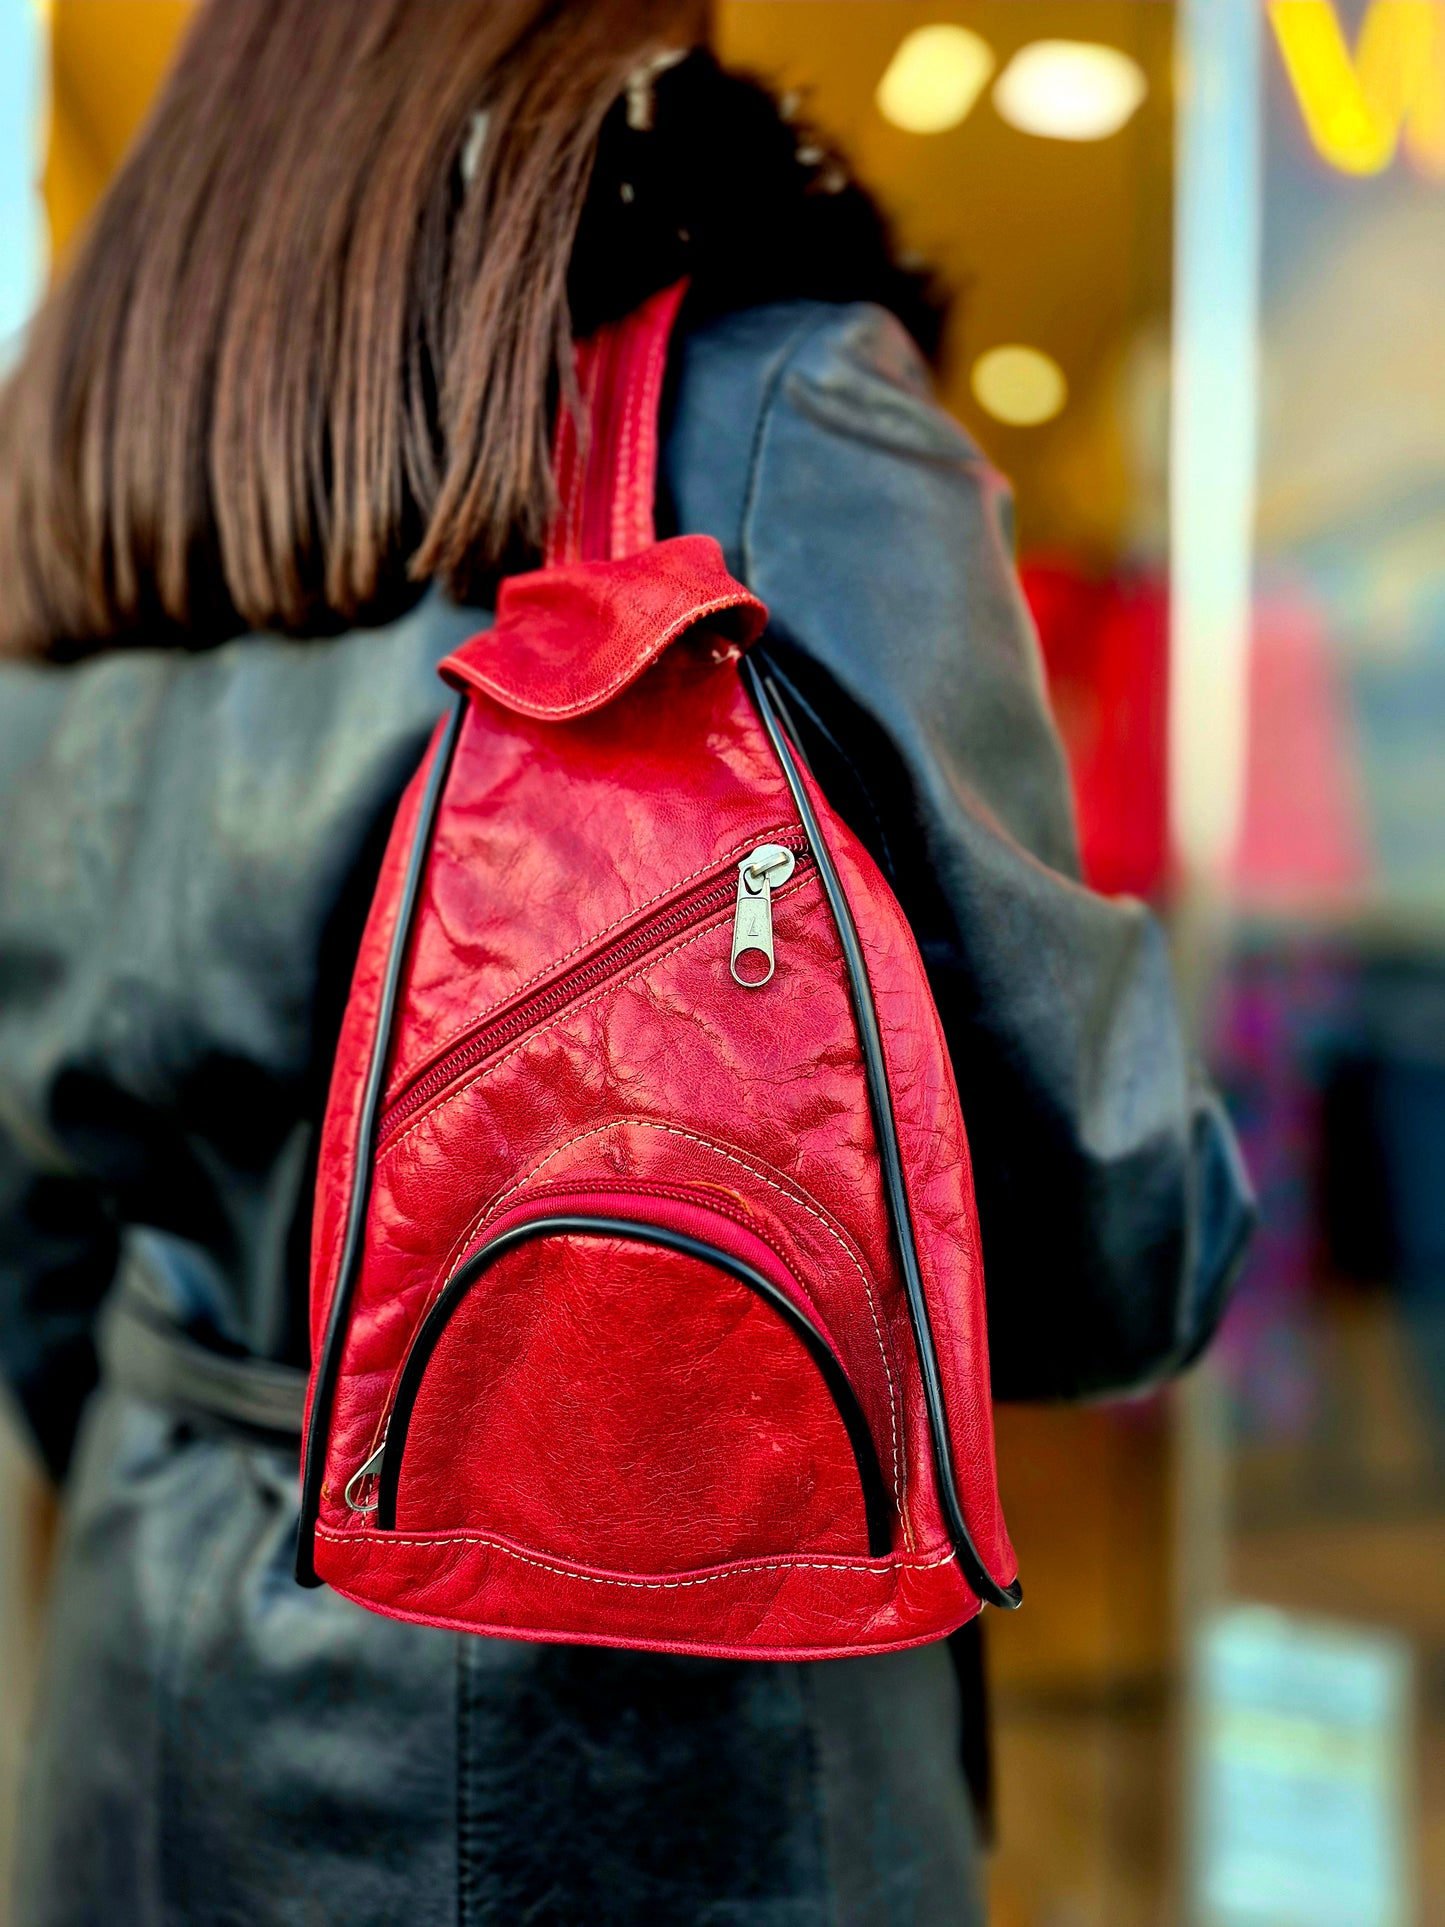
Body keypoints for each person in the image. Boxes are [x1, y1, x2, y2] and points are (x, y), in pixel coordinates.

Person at [0, 3, 1253, 1920]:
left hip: (136, 1692)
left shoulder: (79, 477)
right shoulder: (766, 420)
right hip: (643, 1763)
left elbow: (37, 1229)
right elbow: (1097, 1244)